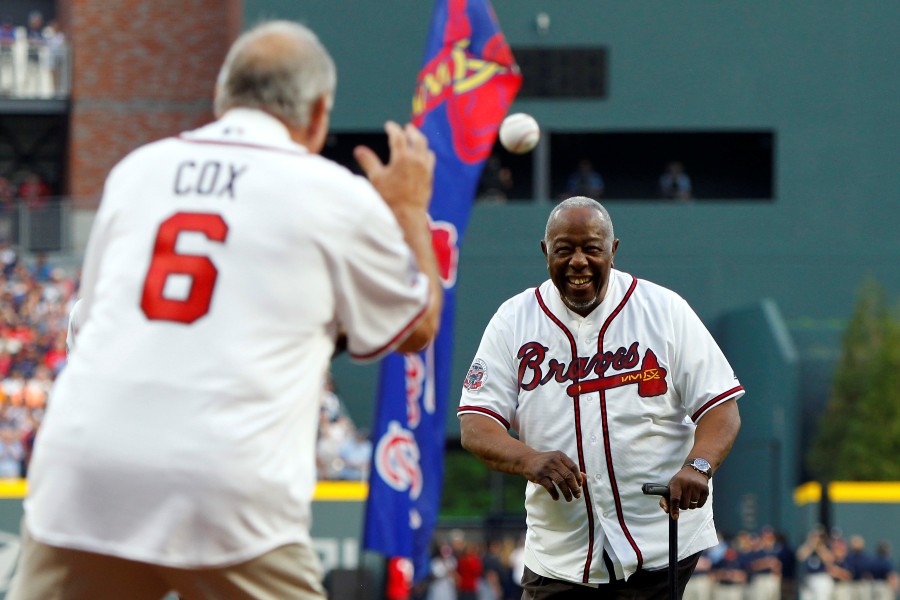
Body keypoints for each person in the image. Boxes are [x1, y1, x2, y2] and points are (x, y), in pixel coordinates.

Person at [8, 19, 442, 600]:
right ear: (318, 114)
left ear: (222, 97)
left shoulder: (138, 171)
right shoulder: (331, 191)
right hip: (226, 484)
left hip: (83, 472)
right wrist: (411, 209)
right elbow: (420, 325)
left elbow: (93, 325)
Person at [457, 196, 743, 599]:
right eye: (564, 249)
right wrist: (529, 459)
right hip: (560, 551)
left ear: (613, 250)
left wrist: (698, 465)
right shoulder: (514, 320)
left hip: (657, 544)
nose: (578, 261)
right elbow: (476, 425)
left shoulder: (662, 310)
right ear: (545, 252)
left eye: (591, 248)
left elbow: (721, 409)